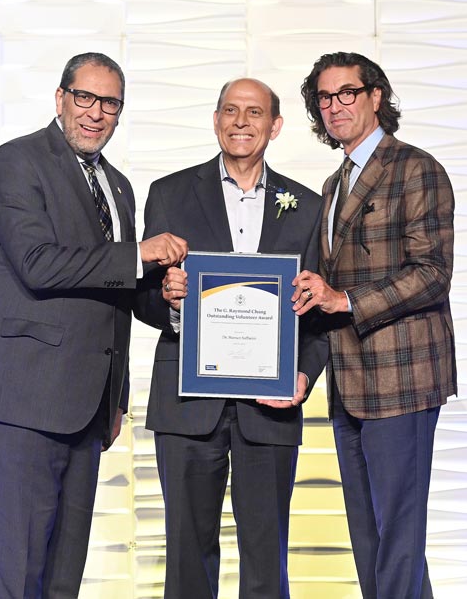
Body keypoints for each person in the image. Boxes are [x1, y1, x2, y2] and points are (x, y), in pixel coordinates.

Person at [0, 52, 187, 598]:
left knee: (62, 578)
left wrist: (170, 299)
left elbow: (119, 291)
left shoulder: (118, 186)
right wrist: (138, 255)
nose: (95, 113)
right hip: (21, 401)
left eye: (110, 103)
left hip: (88, 408)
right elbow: (38, 261)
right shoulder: (17, 161)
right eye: (84, 97)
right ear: (60, 99)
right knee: (16, 573)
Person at [133, 78, 328, 599]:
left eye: (255, 112)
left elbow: (319, 312)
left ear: (275, 126)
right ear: (216, 118)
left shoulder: (307, 206)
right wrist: (170, 302)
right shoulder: (169, 193)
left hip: (271, 405)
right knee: (187, 558)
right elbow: (142, 298)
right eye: (231, 111)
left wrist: (305, 373)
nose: (241, 121)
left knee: (267, 562)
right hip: (187, 404)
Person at [292, 52, 457, 599]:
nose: (334, 106)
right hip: (350, 381)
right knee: (370, 538)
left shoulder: (416, 167)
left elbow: (432, 274)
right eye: (324, 97)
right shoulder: (332, 183)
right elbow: (324, 288)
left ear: (375, 97)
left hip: (402, 379)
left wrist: (345, 299)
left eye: (346, 93)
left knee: (399, 537)